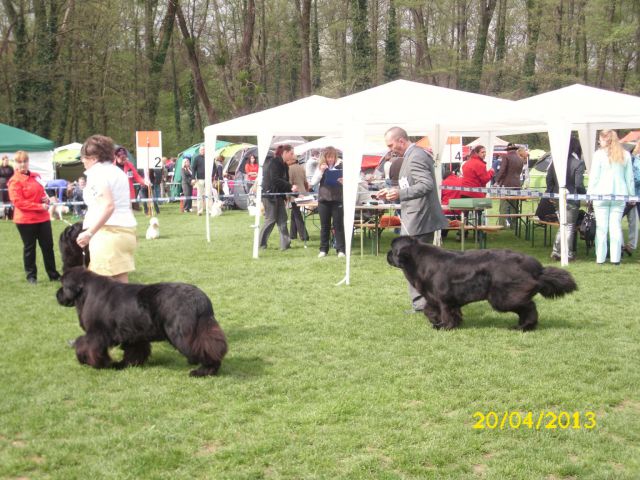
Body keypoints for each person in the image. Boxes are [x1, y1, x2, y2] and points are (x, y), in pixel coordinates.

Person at [377, 127, 449, 313]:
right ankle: (424, 303)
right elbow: (411, 183)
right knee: (417, 264)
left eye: (391, 145)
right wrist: (391, 192)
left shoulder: (416, 156)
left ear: (401, 140)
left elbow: (426, 185)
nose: (391, 149)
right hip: (416, 216)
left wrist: (400, 193)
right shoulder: (412, 155)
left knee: (413, 264)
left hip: (420, 218)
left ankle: (422, 304)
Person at [75, 135, 137, 283]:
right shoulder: (117, 172)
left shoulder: (97, 174)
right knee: (122, 284)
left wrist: (89, 233)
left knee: (101, 287)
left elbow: (108, 206)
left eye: (84, 157)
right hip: (126, 232)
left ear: (94, 158)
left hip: (108, 234)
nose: (82, 161)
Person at [7, 151, 60, 284]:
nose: (23, 164)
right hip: (26, 220)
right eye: (20, 162)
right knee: (30, 248)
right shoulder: (14, 181)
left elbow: (43, 194)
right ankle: (31, 277)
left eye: (25, 161)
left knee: (48, 246)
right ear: (16, 164)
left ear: (28, 162)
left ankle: (53, 274)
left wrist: (45, 200)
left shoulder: (36, 176)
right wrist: (39, 206)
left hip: (42, 218)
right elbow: (18, 202)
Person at [587, 129, 635, 265]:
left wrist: (590, 194)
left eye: (600, 140)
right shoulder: (625, 154)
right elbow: (629, 178)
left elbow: (594, 177)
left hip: (600, 195)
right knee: (616, 227)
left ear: (604, 140)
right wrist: (631, 195)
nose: (599, 142)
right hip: (619, 195)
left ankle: (600, 258)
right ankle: (615, 259)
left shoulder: (598, 155)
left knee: (601, 228)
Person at [547, 137, 586, 261]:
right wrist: (584, 194)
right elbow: (579, 184)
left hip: (556, 196)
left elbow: (549, 179)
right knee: (568, 226)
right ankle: (566, 253)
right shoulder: (578, 163)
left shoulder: (556, 162)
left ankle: (556, 251)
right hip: (571, 198)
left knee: (563, 226)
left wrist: (551, 192)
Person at [259, 144, 297, 250]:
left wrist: (295, 193)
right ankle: (261, 244)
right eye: (291, 153)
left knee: (283, 220)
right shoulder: (274, 163)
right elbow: (275, 180)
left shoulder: (284, 165)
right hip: (269, 196)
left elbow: (284, 182)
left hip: (278, 196)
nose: (293, 155)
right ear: (284, 153)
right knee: (270, 220)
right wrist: (290, 187)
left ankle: (285, 245)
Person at [310, 146, 345, 257]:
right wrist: (321, 171)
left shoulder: (341, 166)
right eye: (328, 157)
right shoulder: (320, 167)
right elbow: (313, 182)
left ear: (335, 157)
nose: (330, 159)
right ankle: (323, 249)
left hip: (337, 199)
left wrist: (344, 181)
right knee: (324, 226)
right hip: (323, 200)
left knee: (338, 225)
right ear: (324, 157)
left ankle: (341, 250)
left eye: (332, 157)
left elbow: (353, 181)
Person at [495, 142, 525, 226]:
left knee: (503, 206)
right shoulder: (520, 159)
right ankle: (514, 224)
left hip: (507, 184)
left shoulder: (506, 157)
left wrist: (497, 181)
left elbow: (502, 171)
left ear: (508, 150)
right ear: (515, 150)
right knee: (514, 206)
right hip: (517, 184)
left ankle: (502, 224)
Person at [286, 149, 310, 243]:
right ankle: (292, 234)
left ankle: (304, 235)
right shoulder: (301, 168)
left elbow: (290, 183)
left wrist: (287, 196)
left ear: (292, 160)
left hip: (295, 195)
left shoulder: (289, 169)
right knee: (294, 213)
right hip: (303, 193)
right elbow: (305, 182)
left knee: (297, 215)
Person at [114, 146, 147, 211]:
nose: (124, 160)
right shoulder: (111, 166)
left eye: (125, 158)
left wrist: (144, 182)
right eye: (121, 158)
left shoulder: (129, 165)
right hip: (115, 195)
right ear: (116, 157)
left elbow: (137, 177)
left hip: (127, 194)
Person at [191, 145, 207, 215]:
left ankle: (209, 210)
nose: (203, 151)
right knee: (199, 195)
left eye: (204, 150)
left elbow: (214, 168)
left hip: (208, 179)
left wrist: (213, 177)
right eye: (201, 150)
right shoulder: (196, 158)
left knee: (209, 195)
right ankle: (200, 211)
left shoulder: (209, 158)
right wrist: (193, 178)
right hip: (200, 180)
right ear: (199, 151)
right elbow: (193, 169)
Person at [0, 154, 15, 218]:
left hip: (10, 186)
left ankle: (9, 214)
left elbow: (14, 176)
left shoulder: (11, 168)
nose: (6, 161)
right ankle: (3, 214)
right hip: (2, 186)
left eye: (7, 160)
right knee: (2, 200)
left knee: (9, 200)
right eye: (5, 160)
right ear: (2, 161)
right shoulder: (0, 168)